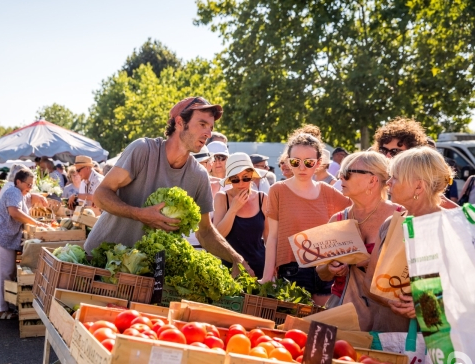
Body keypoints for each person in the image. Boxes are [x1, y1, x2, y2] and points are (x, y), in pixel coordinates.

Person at [84, 96, 253, 277]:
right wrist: (139, 214)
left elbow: (205, 232)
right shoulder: (143, 150)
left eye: (211, 128)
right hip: (101, 260)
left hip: (143, 272)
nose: (208, 133)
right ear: (180, 122)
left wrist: (236, 259)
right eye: (202, 124)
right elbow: (100, 195)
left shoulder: (198, 176)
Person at [365, 147, 454, 331]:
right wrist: (390, 300)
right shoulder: (390, 224)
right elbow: (369, 281)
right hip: (388, 335)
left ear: (419, 186)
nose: (388, 183)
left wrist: (427, 305)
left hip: (436, 343)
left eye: (395, 177)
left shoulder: (453, 228)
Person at [260, 133, 351, 305]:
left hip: (325, 269)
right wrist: (267, 276)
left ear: (318, 163)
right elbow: (272, 237)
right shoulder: (277, 190)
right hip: (292, 270)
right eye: (296, 161)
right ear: (288, 161)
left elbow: (357, 211)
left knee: (321, 326)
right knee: (294, 328)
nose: (302, 167)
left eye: (308, 162)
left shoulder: (327, 191)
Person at [315, 152, 401, 329]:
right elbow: (321, 271)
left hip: (387, 314)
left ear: (372, 180)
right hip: (344, 308)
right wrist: (331, 267)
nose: (340, 178)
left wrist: (369, 262)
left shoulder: (400, 216)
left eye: (347, 173)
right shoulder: (338, 220)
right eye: (340, 173)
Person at [0, 169, 49, 319]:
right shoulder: (14, 192)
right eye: (28, 184)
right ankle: (0, 310)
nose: (30, 187)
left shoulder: (19, 193)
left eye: (32, 184)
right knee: (1, 274)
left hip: (1, 239)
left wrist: (35, 195)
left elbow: (25, 200)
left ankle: (3, 307)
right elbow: (15, 212)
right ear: (18, 182)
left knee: (5, 273)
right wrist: (36, 223)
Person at [374, 117, 458, 209]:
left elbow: (446, 205)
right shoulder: (375, 175)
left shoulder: (421, 178)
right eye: (383, 150)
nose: (388, 156)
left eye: (395, 151)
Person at [213, 153, 268, 279]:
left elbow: (269, 237)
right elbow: (218, 236)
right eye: (235, 179)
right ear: (230, 180)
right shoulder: (222, 197)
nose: (241, 183)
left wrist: (272, 266)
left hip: (259, 267)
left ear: (252, 177)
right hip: (230, 268)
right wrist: (233, 209)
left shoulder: (262, 198)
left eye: (246, 178)